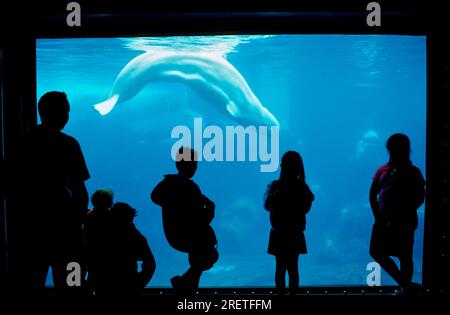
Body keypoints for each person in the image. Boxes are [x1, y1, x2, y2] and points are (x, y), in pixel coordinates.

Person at [16, 91, 90, 292]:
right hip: (66, 228)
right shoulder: (69, 144)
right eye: (66, 111)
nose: (67, 116)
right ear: (59, 113)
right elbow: (80, 190)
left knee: (31, 280)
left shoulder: (22, 142)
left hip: (30, 226)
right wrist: (81, 222)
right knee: (71, 282)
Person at [151, 147, 218, 291]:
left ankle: (184, 283)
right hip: (190, 236)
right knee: (209, 254)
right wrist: (210, 210)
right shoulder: (191, 188)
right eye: (193, 164)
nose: (194, 167)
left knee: (202, 257)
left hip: (174, 234)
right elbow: (201, 220)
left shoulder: (169, 182)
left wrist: (170, 204)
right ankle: (186, 286)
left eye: (195, 164)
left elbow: (154, 197)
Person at [369, 133, 425, 293]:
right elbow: (420, 197)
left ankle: (405, 285)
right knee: (399, 255)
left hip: (397, 221)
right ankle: (405, 284)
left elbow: (372, 195)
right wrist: (379, 217)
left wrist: (381, 216)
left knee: (401, 255)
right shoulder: (409, 171)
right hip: (389, 221)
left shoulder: (411, 171)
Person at [264, 151, 314, 294]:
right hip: (294, 232)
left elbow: (267, 206)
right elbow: (307, 208)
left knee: (280, 268)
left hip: (279, 233)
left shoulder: (276, 186)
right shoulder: (302, 187)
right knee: (293, 269)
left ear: (282, 166)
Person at [94, 202, 156, 296]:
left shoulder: (100, 234)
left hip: (103, 286)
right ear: (130, 217)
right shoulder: (136, 237)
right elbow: (150, 263)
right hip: (129, 286)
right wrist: (139, 283)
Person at [83, 188, 114, 294]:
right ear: (110, 203)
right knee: (103, 283)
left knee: (91, 276)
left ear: (93, 201)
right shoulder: (112, 218)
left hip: (90, 252)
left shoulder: (88, 215)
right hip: (106, 255)